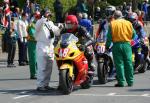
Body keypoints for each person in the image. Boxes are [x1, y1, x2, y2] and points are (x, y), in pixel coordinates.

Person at [57, 15, 95, 89]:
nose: (69, 26)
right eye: (67, 24)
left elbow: (91, 39)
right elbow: (59, 39)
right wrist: (57, 43)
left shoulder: (81, 29)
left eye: (71, 24)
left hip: (80, 46)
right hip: (69, 47)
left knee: (88, 51)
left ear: (75, 23)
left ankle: (90, 66)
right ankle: (62, 81)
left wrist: (85, 45)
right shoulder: (64, 30)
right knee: (61, 58)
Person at [106, 10, 136, 87]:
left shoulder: (112, 24)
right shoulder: (128, 23)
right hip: (127, 45)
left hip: (116, 45)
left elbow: (109, 37)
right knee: (128, 63)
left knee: (119, 64)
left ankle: (121, 82)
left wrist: (107, 46)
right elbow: (133, 34)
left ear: (114, 17)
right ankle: (130, 81)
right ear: (121, 15)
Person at [35, 9, 60, 91]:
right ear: (44, 14)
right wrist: (43, 18)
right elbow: (38, 26)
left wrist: (60, 27)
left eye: (49, 13)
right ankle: (40, 85)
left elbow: (57, 32)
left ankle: (46, 84)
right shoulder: (39, 22)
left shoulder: (50, 23)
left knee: (49, 67)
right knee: (42, 67)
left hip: (50, 47)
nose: (49, 15)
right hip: (42, 46)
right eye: (47, 13)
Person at [27, 11, 41, 79]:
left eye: (39, 17)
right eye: (37, 17)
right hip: (32, 43)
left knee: (39, 58)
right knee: (33, 58)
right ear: (34, 17)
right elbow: (33, 35)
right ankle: (33, 74)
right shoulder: (31, 25)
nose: (38, 18)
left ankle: (38, 72)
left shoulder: (40, 24)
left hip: (39, 42)